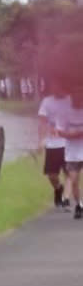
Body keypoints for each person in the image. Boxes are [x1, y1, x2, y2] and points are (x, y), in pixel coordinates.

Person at [38, 80, 72, 209]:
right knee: (52, 175)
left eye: (59, 85)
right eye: (54, 85)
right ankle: (58, 188)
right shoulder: (47, 102)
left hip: (69, 143)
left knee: (69, 173)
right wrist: (41, 140)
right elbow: (42, 122)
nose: (56, 88)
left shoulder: (71, 101)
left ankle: (65, 199)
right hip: (52, 144)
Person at [55, 87, 83, 220]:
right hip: (72, 153)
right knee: (74, 180)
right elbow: (60, 131)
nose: (78, 99)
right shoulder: (65, 113)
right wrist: (72, 135)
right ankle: (79, 205)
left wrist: (77, 134)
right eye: (76, 96)